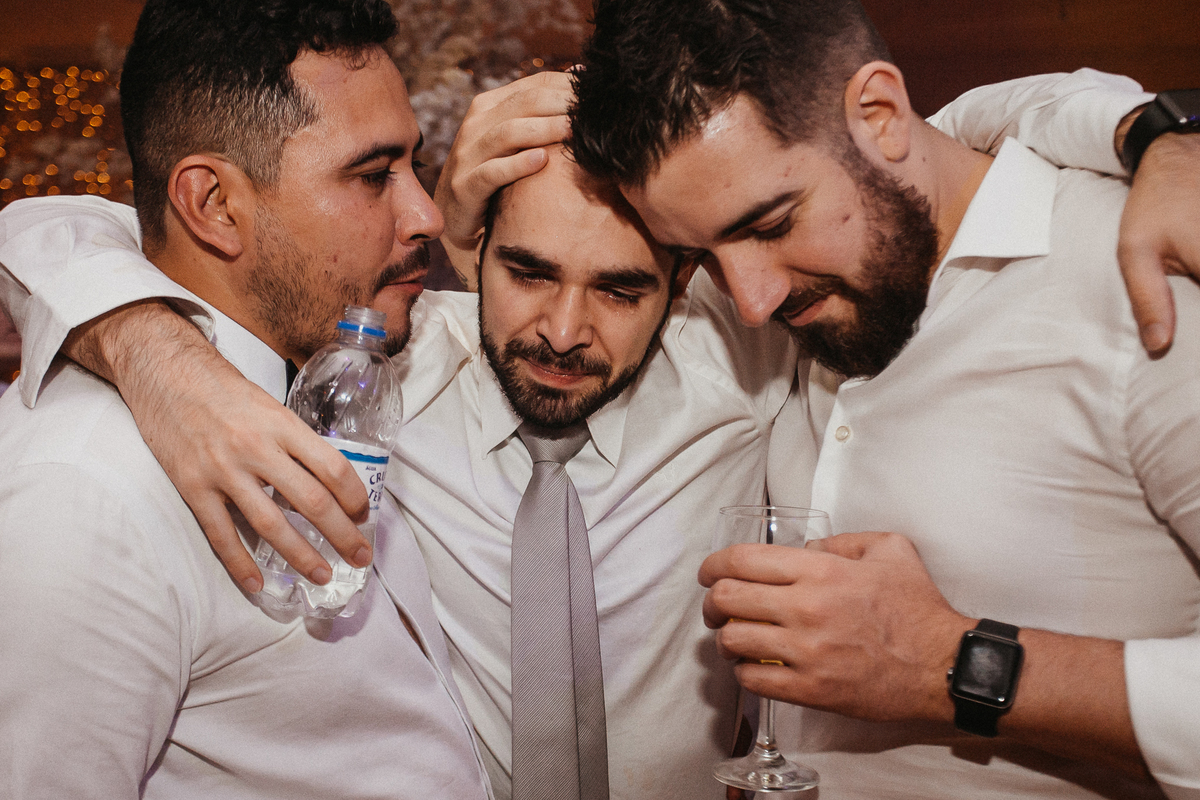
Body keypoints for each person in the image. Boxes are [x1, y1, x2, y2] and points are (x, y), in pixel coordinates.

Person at [568, 0, 1200, 797]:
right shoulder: (785, 303)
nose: (752, 299)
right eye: (702, 255)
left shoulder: (1144, 278)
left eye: (770, 223)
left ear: (880, 116)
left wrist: (951, 663)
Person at [0, 1, 491, 798]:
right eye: (373, 175)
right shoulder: (82, 497)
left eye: (414, 165)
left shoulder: (339, 366)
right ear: (215, 206)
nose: (425, 214)